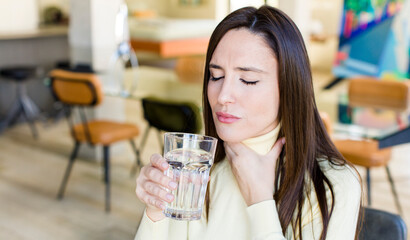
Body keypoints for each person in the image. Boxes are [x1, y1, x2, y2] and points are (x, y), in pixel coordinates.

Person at [135, 5, 362, 240]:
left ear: (289, 87)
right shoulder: (199, 172)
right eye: (216, 76)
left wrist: (260, 201)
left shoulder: (332, 185)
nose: (223, 96)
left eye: (248, 80)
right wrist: (154, 214)